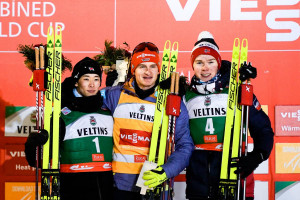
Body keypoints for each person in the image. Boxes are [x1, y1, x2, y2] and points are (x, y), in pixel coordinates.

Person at [182, 31, 274, 200]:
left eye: (211, 62)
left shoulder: (237, 90)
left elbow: (263, 128)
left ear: (218, 64)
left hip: (233, 178)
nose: (205, 68)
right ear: (192, 65)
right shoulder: (186, 95)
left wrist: (257, 156)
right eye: (199, 62)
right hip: (199, 183)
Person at [102, 42, 194, 200]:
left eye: (152, 66)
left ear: (159, 70)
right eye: (142, 66)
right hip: (120, 186)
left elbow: (184, 145)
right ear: (133, 69)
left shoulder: (172, 101)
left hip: (155, 185)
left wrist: (166, 171)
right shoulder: (115, 95)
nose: (148, 72)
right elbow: (83, 99)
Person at [25, 57, 114, 200]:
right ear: (76, 81)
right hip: (73, 186)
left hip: (107, 186)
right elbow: (40, 160)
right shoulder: (62, 113)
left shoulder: (108, 109)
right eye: (86, 79)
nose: (92, 84)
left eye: (96, 79)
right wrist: (32, 144)